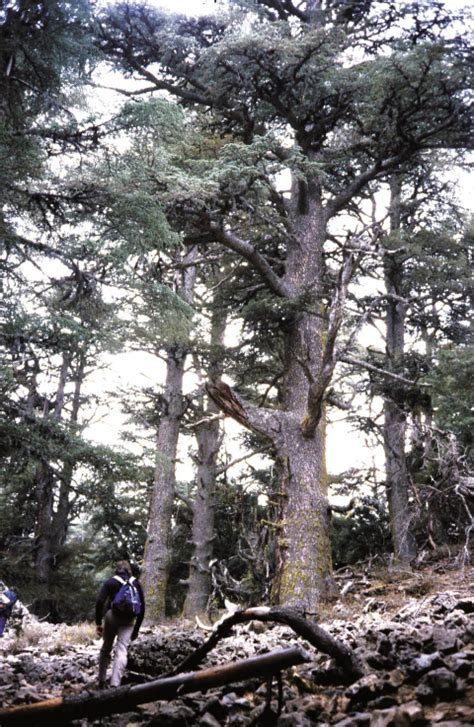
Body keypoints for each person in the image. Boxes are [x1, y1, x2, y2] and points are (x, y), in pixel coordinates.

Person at [95, 560, 145, 688]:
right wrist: (136, 629)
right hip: (129, 620)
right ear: (129, 570)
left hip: (112, 617)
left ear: (116, 570)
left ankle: (101, 680)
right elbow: (142, 607)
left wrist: (98, 623)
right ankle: (115, 684)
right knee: (122, 650)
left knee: (106, 647)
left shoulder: (110, 582)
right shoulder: (135, 582)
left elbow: (100, 602)